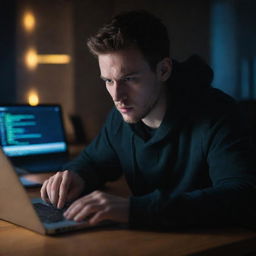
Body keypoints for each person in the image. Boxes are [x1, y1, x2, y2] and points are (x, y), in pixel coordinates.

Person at [41, 10, 256, 230]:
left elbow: (241, 197)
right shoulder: (121, 117)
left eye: (129, 79)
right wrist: (75, 177)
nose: (117, 97)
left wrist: (133, 210)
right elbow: (93, 162)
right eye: (108, 81)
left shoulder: (218, 113)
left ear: (163, 70)